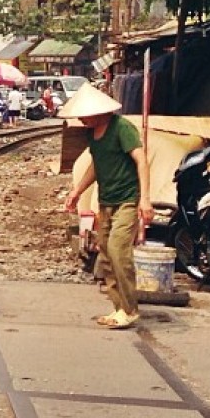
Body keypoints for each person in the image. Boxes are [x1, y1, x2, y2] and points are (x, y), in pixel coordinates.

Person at [61, 83, 153, 330]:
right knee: (105, 251)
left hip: (127, 199)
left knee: (118, 249)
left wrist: (145, 198)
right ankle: (118, 307)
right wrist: (77, 191)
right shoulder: (92, 134)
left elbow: (141, 160)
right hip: (106, 201)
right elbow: (96, 163)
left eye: (84, 114)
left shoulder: (122, 128)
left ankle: (130, 308)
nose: (80, 119)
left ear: (98, 112)